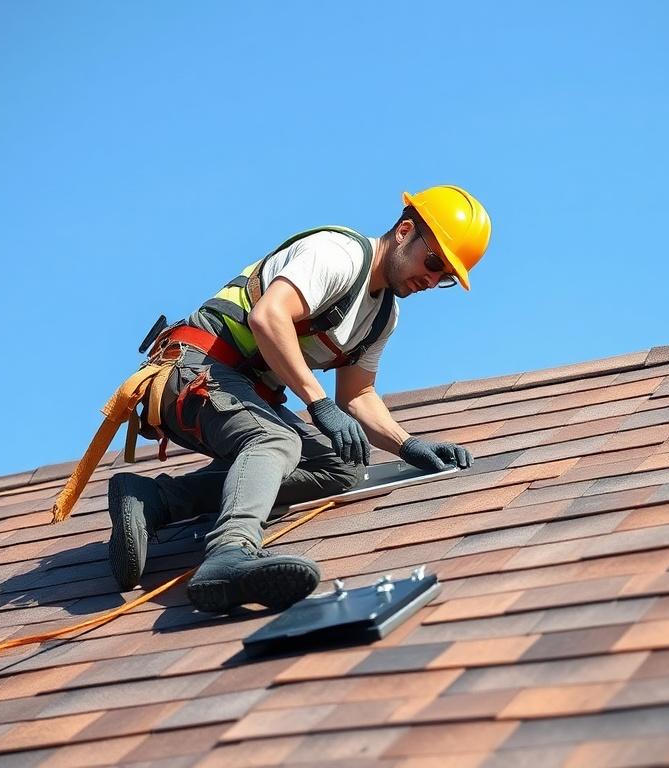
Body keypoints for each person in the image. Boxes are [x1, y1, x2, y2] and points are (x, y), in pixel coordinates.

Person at [106, 185, 491, 614]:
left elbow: (358, 394)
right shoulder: (339, 255)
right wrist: (317, 402)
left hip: (236, 392)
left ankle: (156, 501)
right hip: (194, 371)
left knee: (343, 466)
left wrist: (408, 444)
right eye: (434, 261)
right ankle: (229, 553)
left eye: (446, 279)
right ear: (404, 231)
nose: (432, 278)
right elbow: (268, 317)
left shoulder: (383, 316)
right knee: (276, 442)